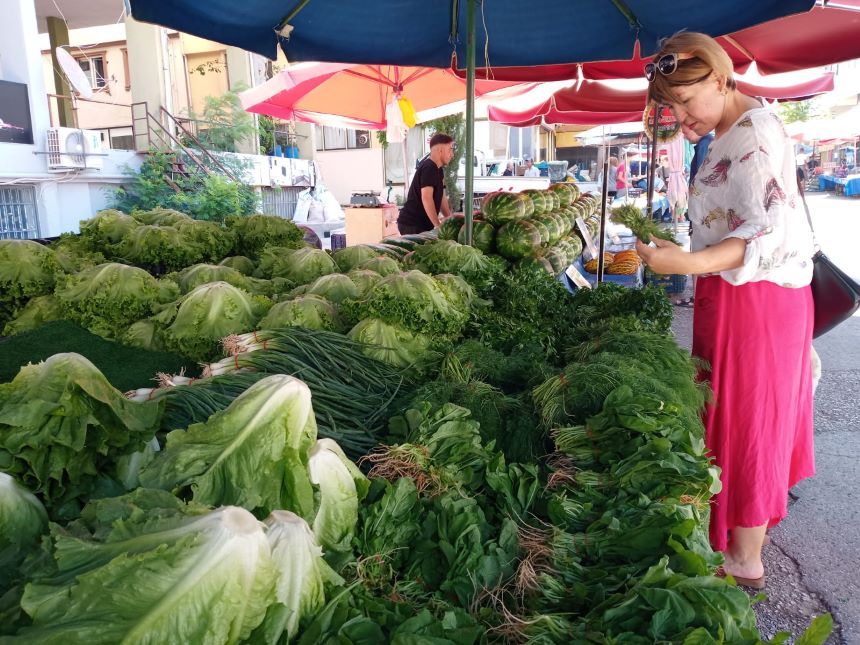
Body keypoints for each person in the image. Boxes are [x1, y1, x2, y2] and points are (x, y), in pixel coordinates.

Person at [637, 31, 816, 589]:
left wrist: (681, 266)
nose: (681, 118)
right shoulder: (727, 131)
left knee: (750, 421)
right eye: (672, 108)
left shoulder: (755, 134)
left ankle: (745, 560)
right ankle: (741, 537)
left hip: (757, 299)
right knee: (731, 415)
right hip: (732, 292)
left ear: (719, 78)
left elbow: (764, 233)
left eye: (686, 104)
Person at [397, 133, 454, 234]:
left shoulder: (439, 170)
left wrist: (450, 219)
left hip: (422, 225)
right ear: (440, 150)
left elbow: (441, 197)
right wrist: (438, 225)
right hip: (412, 224)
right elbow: (426, 198)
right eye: (450, 149)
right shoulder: (429, 168)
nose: (452, 154)